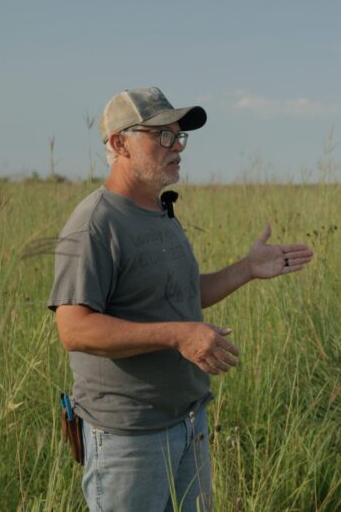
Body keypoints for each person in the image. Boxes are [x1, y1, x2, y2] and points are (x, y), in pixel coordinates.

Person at [48, 87, 313, 511]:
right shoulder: (95, 223)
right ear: (119, 144)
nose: (177, 148)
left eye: (180, 137)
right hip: (129, 437)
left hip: (189, 422)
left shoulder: (160, 212)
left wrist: (246, 269)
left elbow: (182, 301)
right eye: (163, 137)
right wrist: (178, 336)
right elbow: (74, 328)